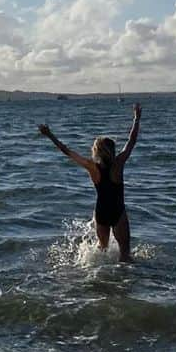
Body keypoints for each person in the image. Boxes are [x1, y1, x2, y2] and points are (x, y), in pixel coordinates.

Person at [38, 103, 141, 262]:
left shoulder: (92, 167)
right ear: (113, 150)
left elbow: (67, 151)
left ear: (97, 152)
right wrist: (137, 118)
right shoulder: (119, 163)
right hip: (118, 211)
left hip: (101, 212)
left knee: (102, 250)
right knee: (125, 255)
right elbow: (132, 141)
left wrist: (50, 135)